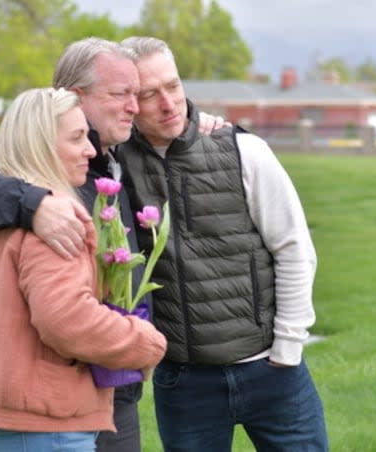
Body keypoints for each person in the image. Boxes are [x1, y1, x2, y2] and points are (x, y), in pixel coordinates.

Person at [0, 37, 226, 452]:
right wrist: (35, 204)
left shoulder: (121, 148)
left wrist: (204, 124)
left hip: (102, 391)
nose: (136, 106)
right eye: (121, 94)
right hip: (60, 396)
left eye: (138, 94)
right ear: (77, 97)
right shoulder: (45, 176)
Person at [116, 36, 328, 451]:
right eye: (149, 94)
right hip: (184, 381)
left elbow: (294, 249)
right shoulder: (112, 161)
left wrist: (287, 347)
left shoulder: (243, 149)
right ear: (127, 101)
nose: (169, 103)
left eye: (173, 86)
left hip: (273, 371)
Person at [0, 87, 167, 452]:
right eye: (77, 138)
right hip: (49, 425)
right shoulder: (57, 220)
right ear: (42, 145)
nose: (91, 150)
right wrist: (146, 341)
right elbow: (68, 321)